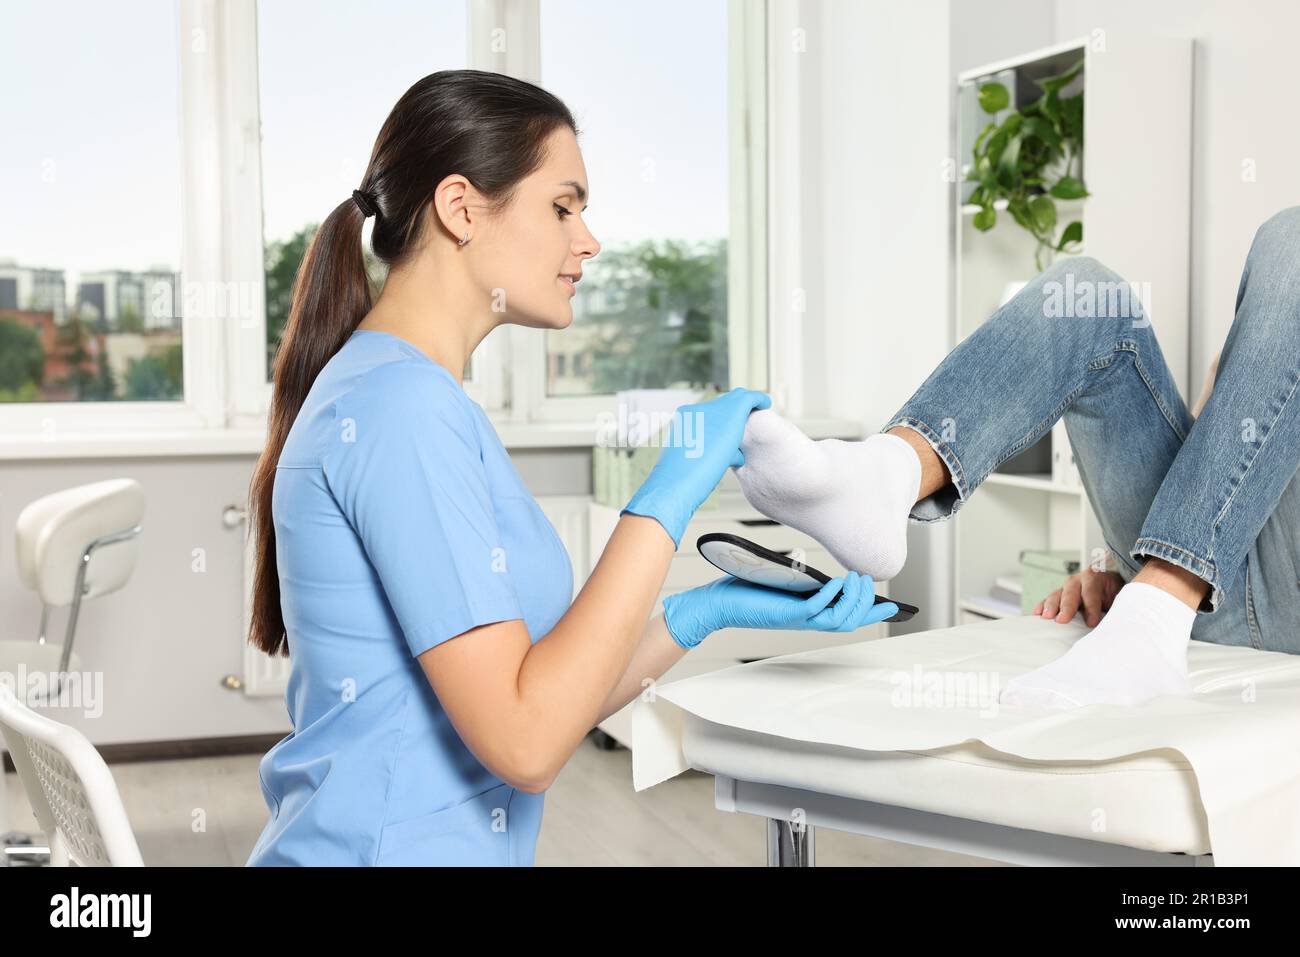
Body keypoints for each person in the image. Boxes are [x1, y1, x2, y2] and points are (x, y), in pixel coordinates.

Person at [242, 69, 898, 867]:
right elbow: (526, 742)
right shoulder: (399, 409)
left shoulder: (412, 396)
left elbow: (544, 691)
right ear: (461, 209)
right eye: (563, 206)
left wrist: (704, 611)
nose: (587, 239)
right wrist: (665, 497)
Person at [733, 206, 1300, 711]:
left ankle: (1159, 609)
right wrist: (1111, 565)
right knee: (1085, 289)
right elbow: (1221, 458)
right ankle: (885, 477)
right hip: (1227, 576)